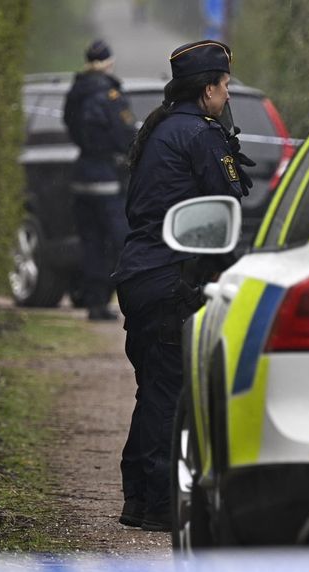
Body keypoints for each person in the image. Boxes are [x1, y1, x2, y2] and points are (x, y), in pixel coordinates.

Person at [111, 40, 253, 531]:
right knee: (170, 391)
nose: (228, 93)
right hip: (172, 276)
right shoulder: (200, 135)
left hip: (142, 272)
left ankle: (139, 497)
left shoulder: (162, 129)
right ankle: (157, 504)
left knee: (154, 387)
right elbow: (225, 210)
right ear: (208, 89)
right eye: (226, 86)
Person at [63, 39, 137, 321]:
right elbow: (125, 132)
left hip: (81, 174)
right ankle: (125, 301)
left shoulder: (76, 90)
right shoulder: (110, 93)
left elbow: (68, 123)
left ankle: (95, 304)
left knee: (91, 242)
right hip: (107, 176)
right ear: (109, 62)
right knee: (118, 242)